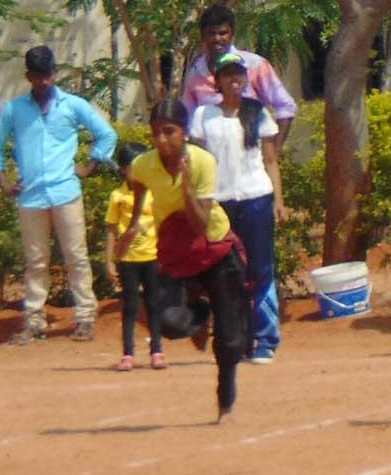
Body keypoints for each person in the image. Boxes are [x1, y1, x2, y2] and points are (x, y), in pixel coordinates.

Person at [118, 100, 250, 422]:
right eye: (156, 133)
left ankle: (226, 404)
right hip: (177, 251)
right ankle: (201, 320)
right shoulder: (144, 164)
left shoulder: (202, 161)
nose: (162, 140)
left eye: (169, 131)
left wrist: (187, 184)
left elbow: (201, 225)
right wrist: (133, 224)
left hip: (214, 248)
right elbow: (137, 182)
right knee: (165, 320)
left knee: (230, 341)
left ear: (185, 132)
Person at [0, 45, 116, 345]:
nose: (43, 81)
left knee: (76, 257)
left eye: (47, 75)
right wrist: (4, 182)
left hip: (66, 191)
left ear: (54, 73)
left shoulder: (73, 105)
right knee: (36, 261)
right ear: (28, 76)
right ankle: (34, 322)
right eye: (37, 76)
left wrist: (90, 165)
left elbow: (106, 133)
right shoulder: (15, 109)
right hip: (31, 196)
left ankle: (85, 318)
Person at [190, 52, 286, 364]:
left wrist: (279, 201)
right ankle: (238, 338)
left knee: (261, 268)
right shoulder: (204, 116)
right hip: (220, 202)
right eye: (228, 74)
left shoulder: (258, 113)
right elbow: (198, 161)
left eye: (239, 74)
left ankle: (265, 339)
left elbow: (271, 160)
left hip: (256, 197)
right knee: (228, 273)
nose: (235, 80)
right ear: (217, 81)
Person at [181, 5, 298, 141]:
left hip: (252, 151)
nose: (217, 38)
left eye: (223, 33)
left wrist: (275, 150)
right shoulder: (195, 73)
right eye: (211, 33)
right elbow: (187, 120)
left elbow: (286, 106)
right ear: (203, 36)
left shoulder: (254, 65)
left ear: (232, 35)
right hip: (210, 153)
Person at [106, 143, 172, 369]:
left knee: (154, 303)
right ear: (123, 170)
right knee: (130, 305)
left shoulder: (153, 193)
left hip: (152, 256)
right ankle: (128, 353)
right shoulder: (118, 196)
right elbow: (111, 229)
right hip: (128, 259)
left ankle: (157, 350)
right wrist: (109, 261)